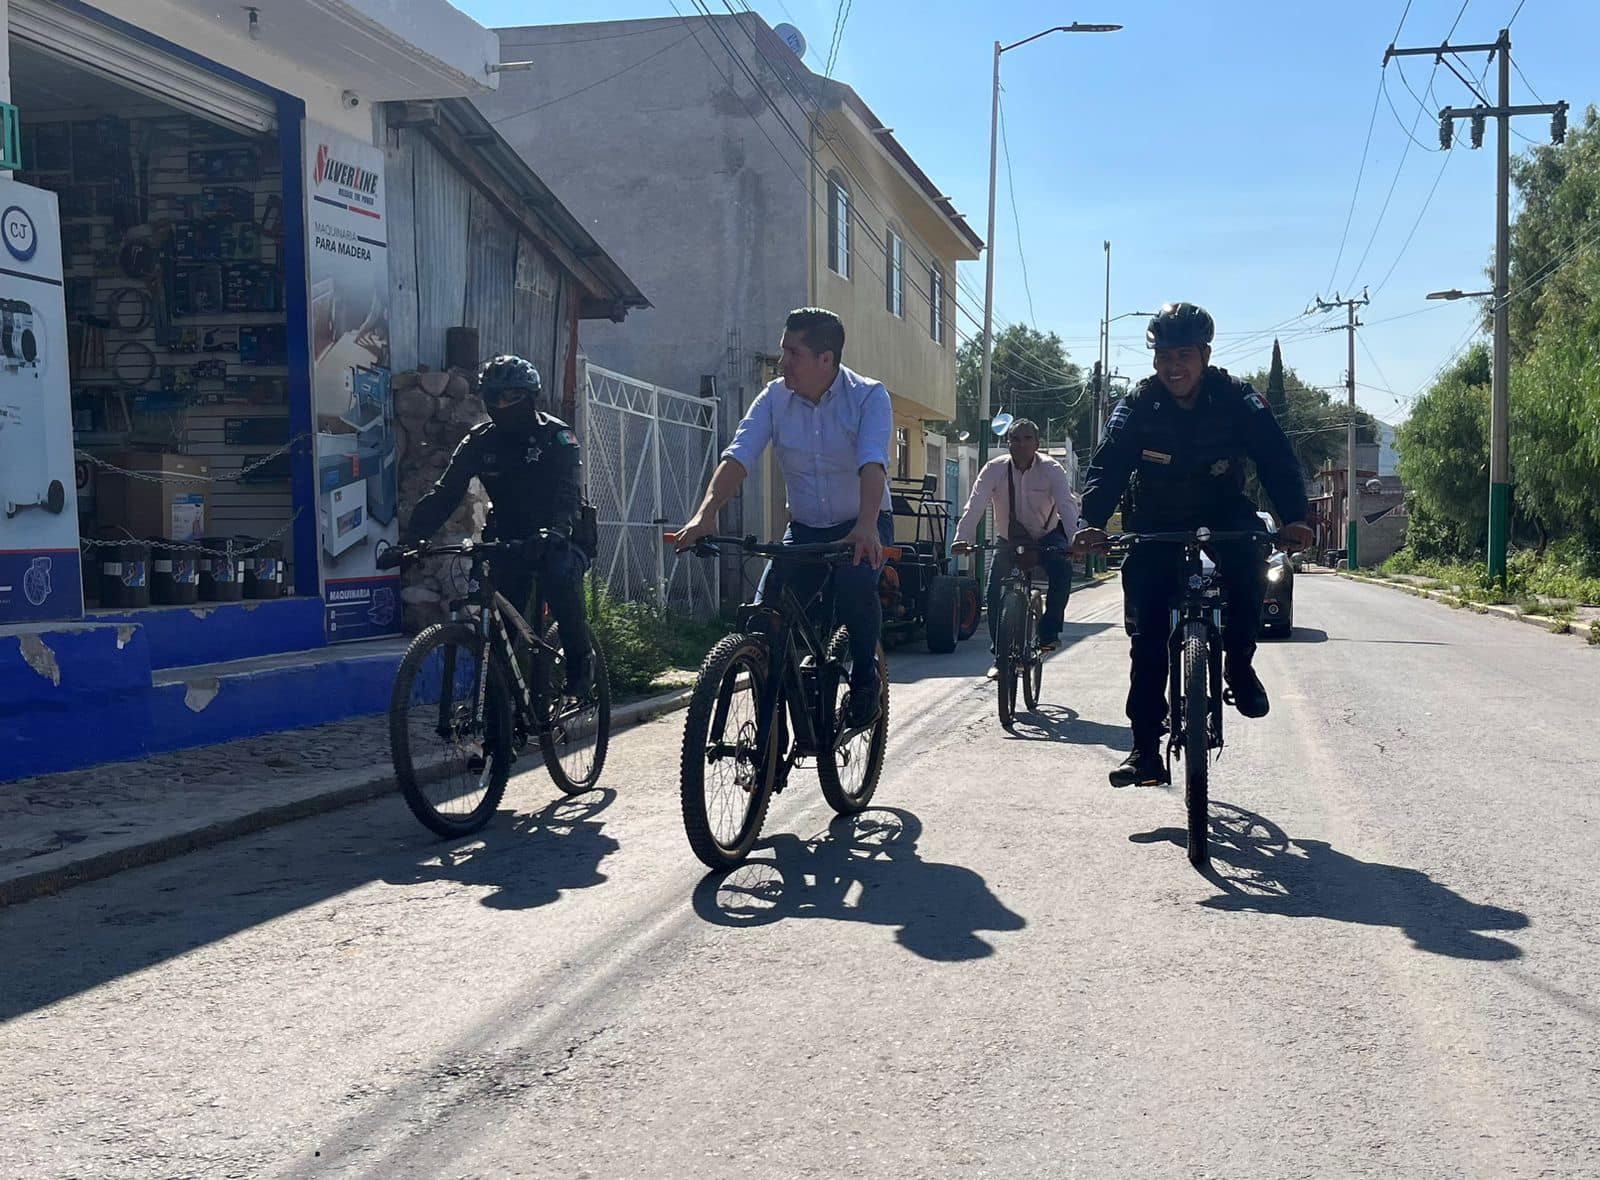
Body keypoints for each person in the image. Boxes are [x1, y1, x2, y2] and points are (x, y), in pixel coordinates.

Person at [1073, 302, 1314, 788]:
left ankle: (1239, 666)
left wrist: (1295, 517)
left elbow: (1276, 456)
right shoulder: (1138, 404)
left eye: (1183, 355)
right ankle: (1144, 749)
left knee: (1251, 565)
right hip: (1156, 517)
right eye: (1163, 356)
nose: (1173, 367)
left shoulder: (1237, 398)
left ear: (1204, 354)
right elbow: (1109, 463)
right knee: (1147, 634)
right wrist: (1090, 522)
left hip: (1222, 508)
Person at [674, 307, 892, 730]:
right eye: (782, 352)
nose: (783, 362)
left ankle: (866, 678)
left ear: (825, 359)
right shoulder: (774, 397)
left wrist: (866, 526)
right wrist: (706, 515)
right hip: (807, 528)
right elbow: (739, 456)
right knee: (765, 617)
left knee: (854, 584)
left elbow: (872, 461)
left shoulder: (868, 396)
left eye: (793, 353)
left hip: (861, 522)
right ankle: (770, 732)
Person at [397, 354, 594, 696]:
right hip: (507, 538)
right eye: (494, 397)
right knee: (499, 632)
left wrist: (557, 531)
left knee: (560, 578)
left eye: (511, 397)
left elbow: (568, 493)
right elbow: (445, 492)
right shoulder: (480, 440)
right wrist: (413, 540)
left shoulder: (555, 437)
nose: (501, 405)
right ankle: (498, 723)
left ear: (530, 397)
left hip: (560, 535)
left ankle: (580, 658)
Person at [951, 418, 1079, 678]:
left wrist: (1074, 541)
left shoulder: (1052, 469)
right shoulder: (993, 469)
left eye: (1026, 439)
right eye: (1015, 439)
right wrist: (961, 537)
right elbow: (975, 505)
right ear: (1007, 443)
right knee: (993, 591)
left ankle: (1049, 632)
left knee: (1062, 571)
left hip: (1047, 536)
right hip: (1009, 540)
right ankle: (1000, 656)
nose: (1020, 445)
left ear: (1037, 443)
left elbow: (1066, 505)